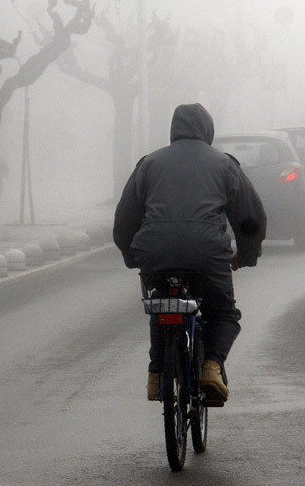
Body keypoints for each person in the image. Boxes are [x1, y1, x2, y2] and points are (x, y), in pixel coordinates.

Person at [113, 103, 266, 404]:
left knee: (162, 306)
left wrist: (133, 256)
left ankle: (156, 377)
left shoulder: (149, 164)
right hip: (206, 252)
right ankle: (211, 367)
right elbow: (251, 218)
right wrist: (246, 255)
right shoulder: (224, 164)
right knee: (223, 314)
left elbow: (124, 219)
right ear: (208, 131)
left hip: (155, 251)